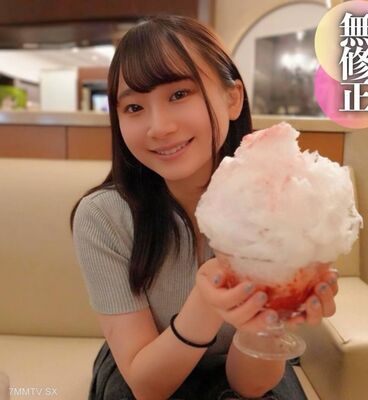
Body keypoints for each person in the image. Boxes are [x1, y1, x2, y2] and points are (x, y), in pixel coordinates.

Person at [70, 14, 338, 400]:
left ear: (232, 98)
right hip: (147, 366)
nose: (159, 127)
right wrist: (213, 293)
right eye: (134, 108)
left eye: (179, 94)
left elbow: (251, 386)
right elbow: (146, 386)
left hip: (240, 365)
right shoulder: (103, 217)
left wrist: (269, 315)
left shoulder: (279, 201)